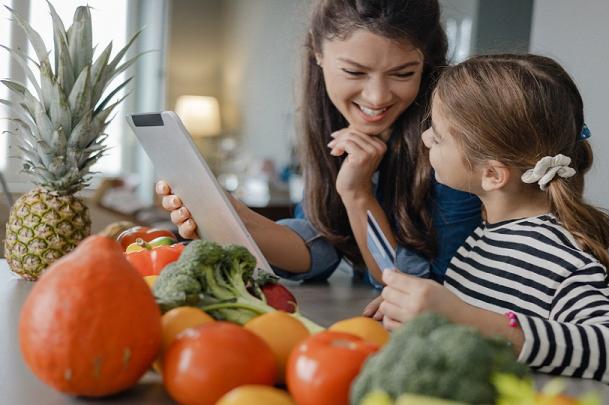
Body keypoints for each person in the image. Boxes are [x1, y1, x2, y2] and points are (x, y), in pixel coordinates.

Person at [375, 54, 609, 395]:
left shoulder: (556, 259)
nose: (425, 139)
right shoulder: (486, 236)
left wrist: (468, 318)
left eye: (439, 135)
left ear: (492, 175)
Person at [156, 0, 482, 287]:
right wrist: (239, 219)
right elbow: (321, 246)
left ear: (425, 64)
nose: (378, 96)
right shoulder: (332, 123)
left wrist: (357, 195)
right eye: (355, 72)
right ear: (317, 53)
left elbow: (422, 289)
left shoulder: (453, 144)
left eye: (403, 74)